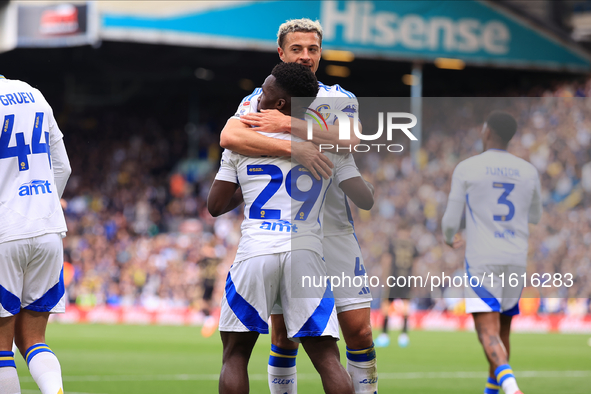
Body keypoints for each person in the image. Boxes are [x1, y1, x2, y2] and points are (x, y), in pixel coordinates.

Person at [219, 19, 378, 394]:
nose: (306, 56)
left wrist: (290, 125)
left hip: (334, 230)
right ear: (281, 52)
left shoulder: (339, 98)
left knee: (359, 329)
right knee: (285, 334)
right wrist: (296, 148)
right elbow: (230, 135)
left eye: (313, 49)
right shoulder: (257, 97)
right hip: (287, 228)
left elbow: (351, 140)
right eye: (297, 49)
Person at [441, 111, 542, 394]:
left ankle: (511, 388)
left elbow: (450, 219)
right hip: (516, 257)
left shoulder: (468, 167)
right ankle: (492, 390)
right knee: (503, 330)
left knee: (487, 331)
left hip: (483, 259)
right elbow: (535, 215)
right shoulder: (528, 170)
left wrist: (450, 238)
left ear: (486, 132)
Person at [0, 74, 71, 394]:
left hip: (5, 231)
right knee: (33, 340)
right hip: (47, 228)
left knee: (2, 349)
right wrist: (41, 206)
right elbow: (63, 167)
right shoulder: (34, 94)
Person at [375, 224, 417, 348]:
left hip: (396, 279)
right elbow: (415, 265)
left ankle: (386, 336)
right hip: (404, 279)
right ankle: (402, 336)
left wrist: (385, 278)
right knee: (402, 307)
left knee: (389, 306)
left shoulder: (393, 244)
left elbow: (386, 261)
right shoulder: (412, 246)